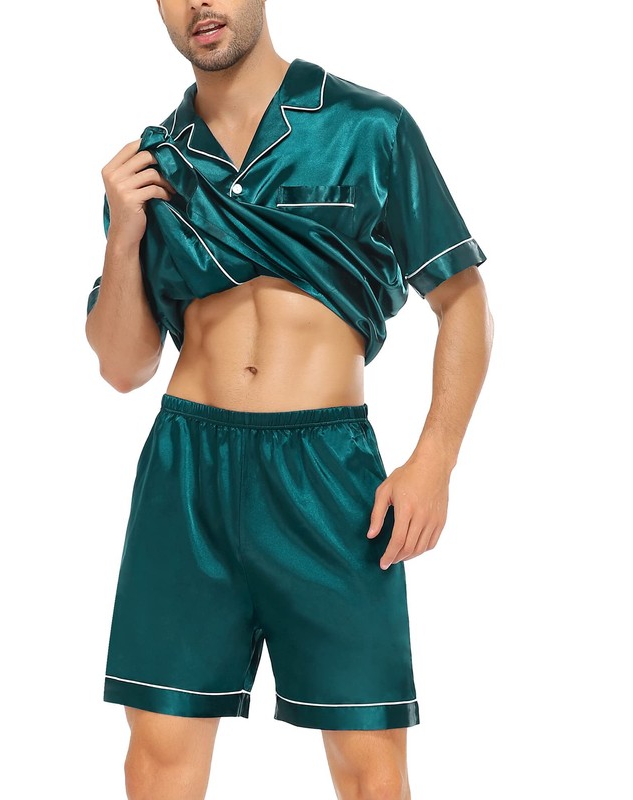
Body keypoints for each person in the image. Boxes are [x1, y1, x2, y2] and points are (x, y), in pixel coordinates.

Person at [85, 2, 493, 798]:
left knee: (369, 762)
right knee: (158, 756)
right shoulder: (152, 165)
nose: (200, 3)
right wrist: (123, 234)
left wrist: (434, 461)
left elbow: (464, 300)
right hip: (187, 472)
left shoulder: (369, 128)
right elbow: (123, 367)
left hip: (327, 474)